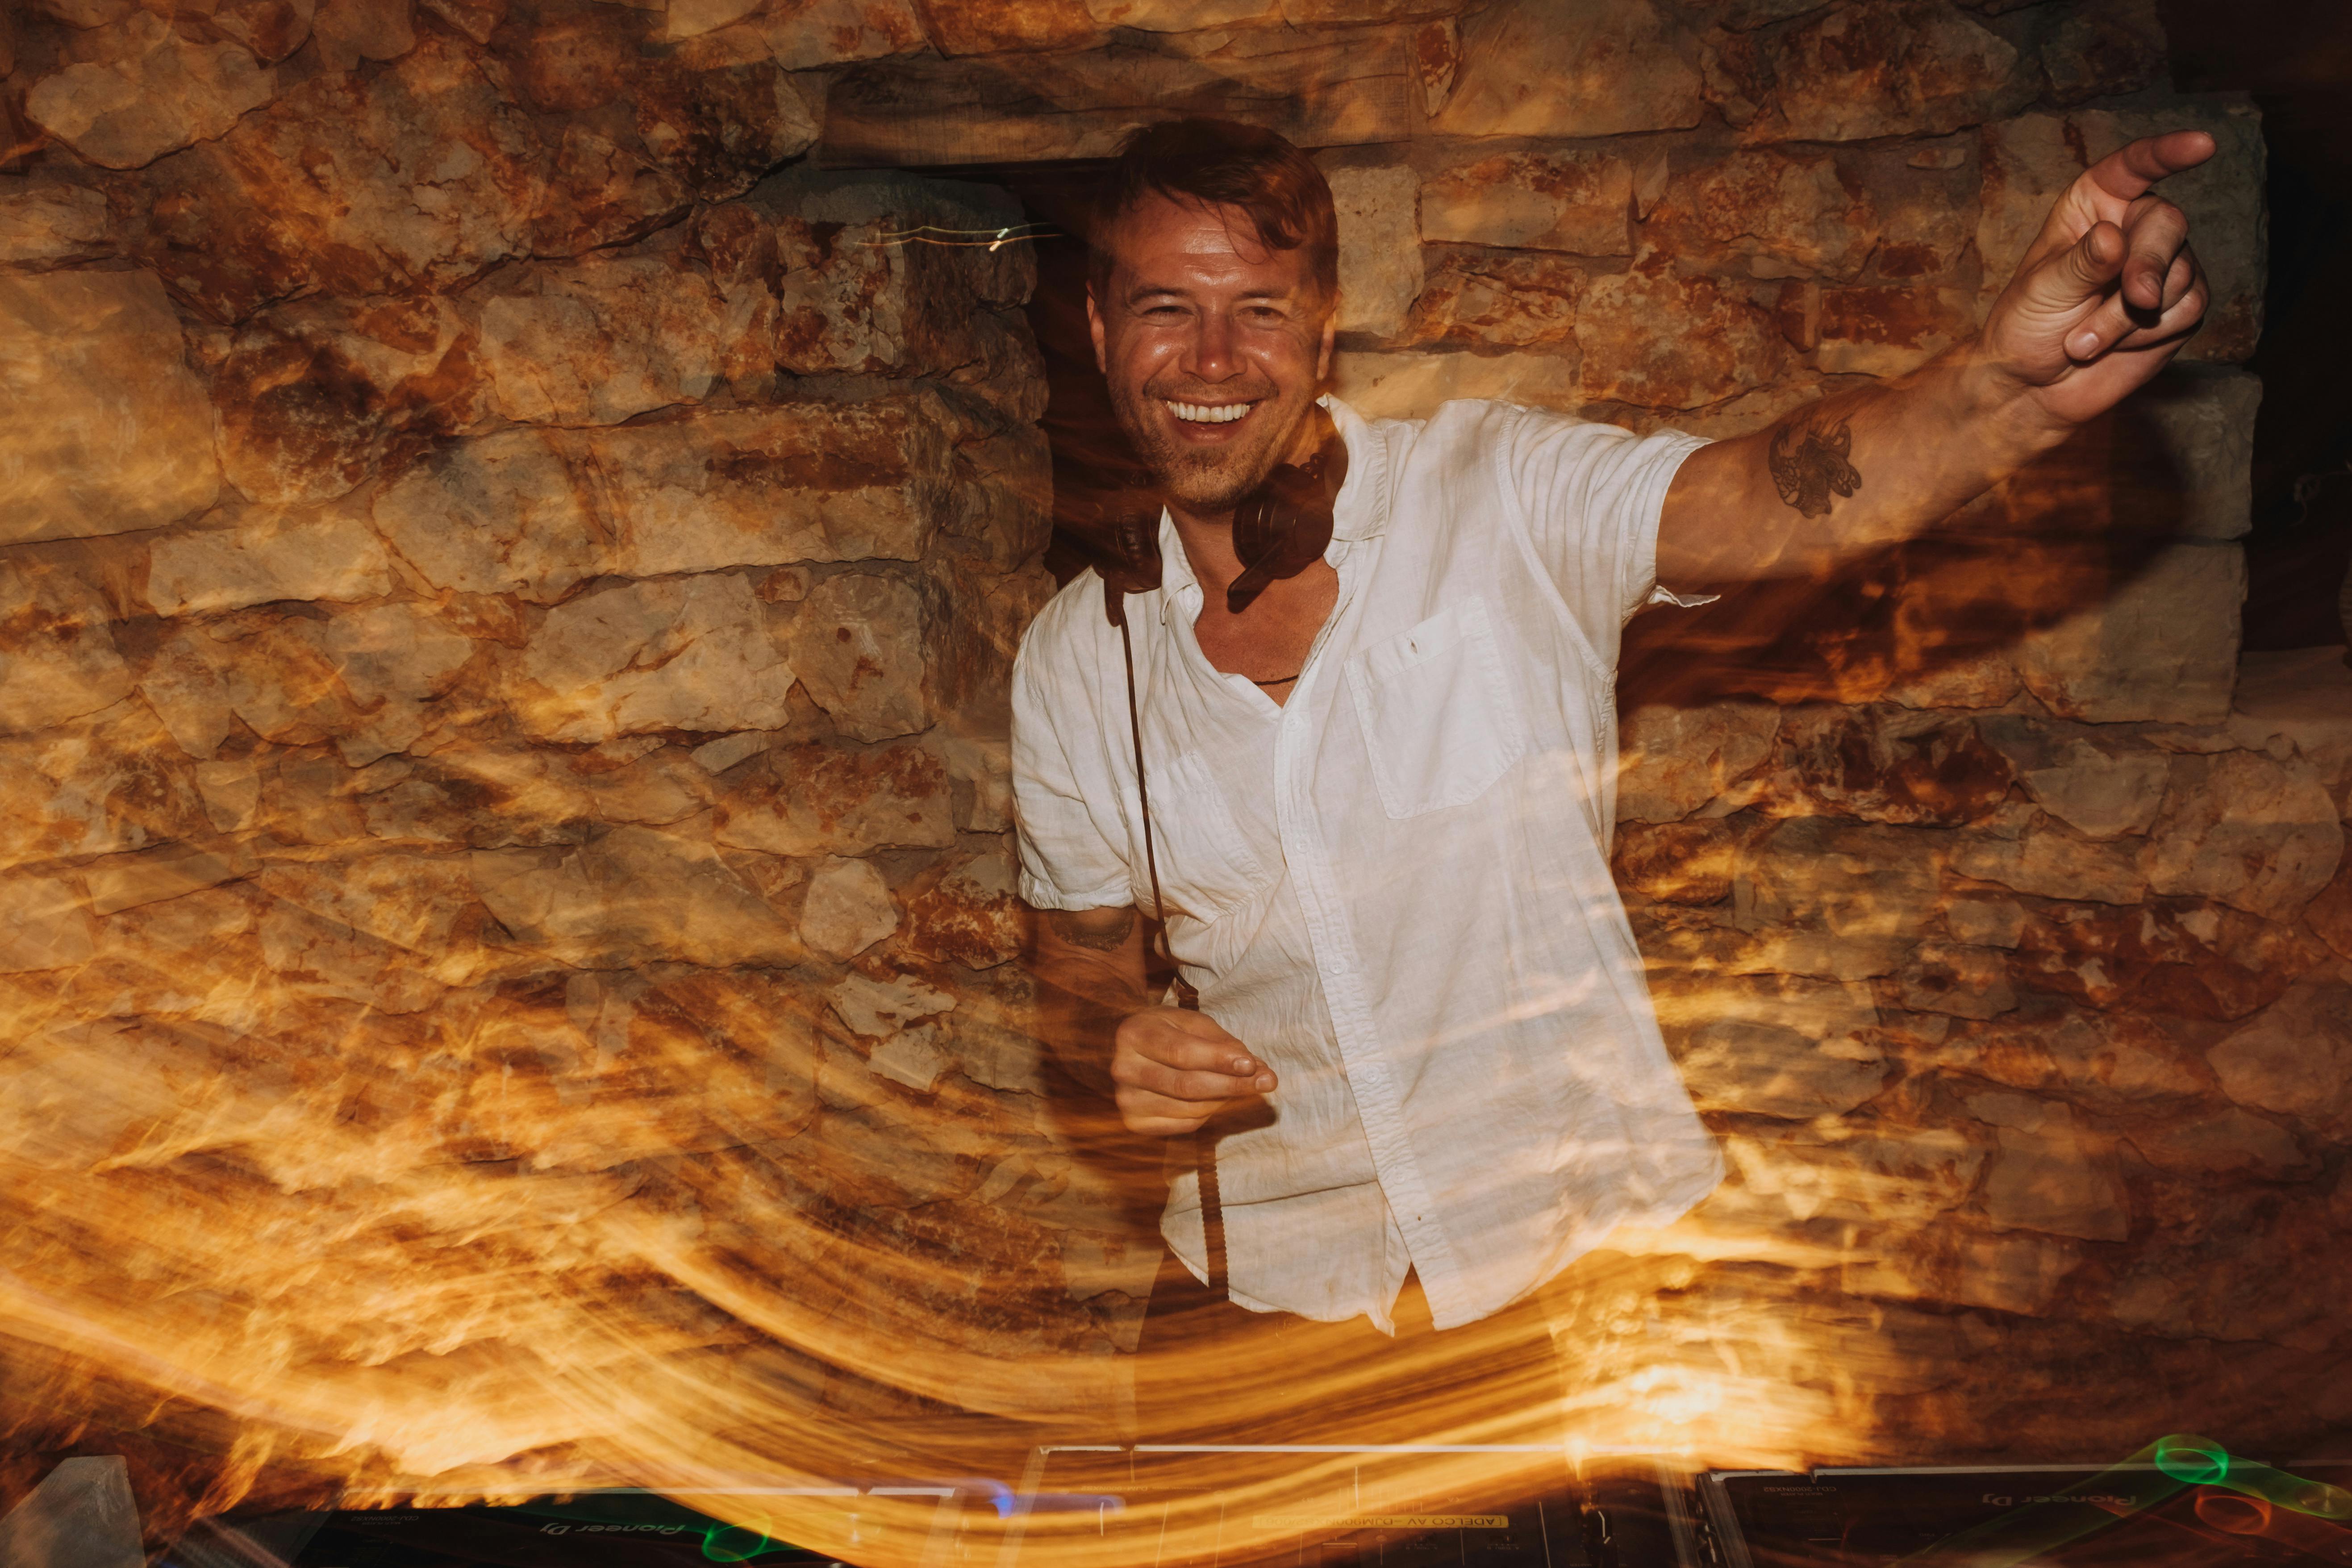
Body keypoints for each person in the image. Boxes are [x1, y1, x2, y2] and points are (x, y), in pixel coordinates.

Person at [1009, 117, 2213, 1396]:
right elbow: (1077, 973)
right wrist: (1115, 1038)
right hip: (1253, 1296)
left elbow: (1766, 498)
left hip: (1553, 1288)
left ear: (1323, 328)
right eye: (1166, 307)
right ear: (1100, 328)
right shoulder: (1073, 661)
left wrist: (1996, 388)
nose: (1211, 358)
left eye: (1259, 307)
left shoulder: (1499, 494)